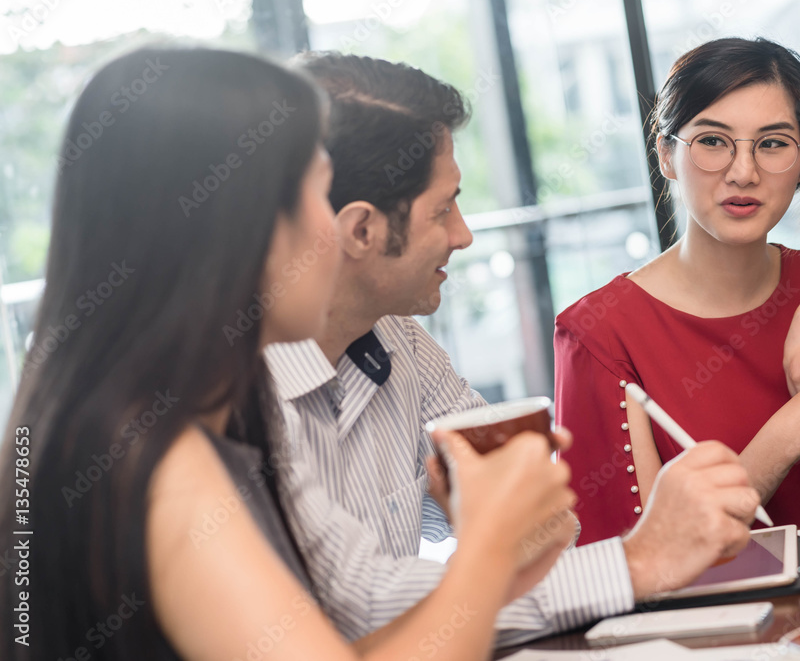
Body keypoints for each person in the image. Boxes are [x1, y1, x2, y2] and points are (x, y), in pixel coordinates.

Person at [0, 46, 579, 660]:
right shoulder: (155, 463)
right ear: (233, 229)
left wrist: (504, 561)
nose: (335, 232)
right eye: (316, 193)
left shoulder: (181, 419)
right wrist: (489, 551)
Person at [261, 50, 761, 648]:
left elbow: (537, 533)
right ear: (360, 230)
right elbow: (368, 608)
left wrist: (520, 533)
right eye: (443, 208)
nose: (464, 234)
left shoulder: (401, 344)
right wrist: (638, 561)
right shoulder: (239, 402)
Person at [554, 37, 800, 546]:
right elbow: (629, 575)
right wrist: (793, 428)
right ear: (667, 154)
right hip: (705, 629)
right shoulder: (600, 334)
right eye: (712, 141)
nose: (744, 172)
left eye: (773, 143)